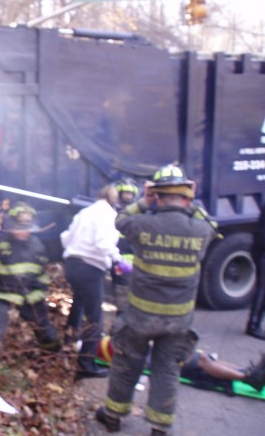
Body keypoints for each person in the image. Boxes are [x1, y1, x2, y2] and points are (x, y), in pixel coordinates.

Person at [95, 165, 217, 435]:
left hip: (139, 317)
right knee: (167, 371)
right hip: (178, 322)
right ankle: (160, 427)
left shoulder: (142, 224)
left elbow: (120, 220)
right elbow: (212, 224)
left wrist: (144, 200)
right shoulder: (200, 230)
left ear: (157, 196)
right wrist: (191, 199)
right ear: (186, 196)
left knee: (127, 364)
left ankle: (113, 416)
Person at [0, 202, 61, 391]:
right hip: (1, 296)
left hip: (28, 296)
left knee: (43, 326)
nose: (23, 232)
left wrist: (38, 294)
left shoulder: (37, 246)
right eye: (19, 228)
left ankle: (53, 356)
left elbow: (42, 275)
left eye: (27, 228)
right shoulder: (0, 246)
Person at [60, 184, 131, 379]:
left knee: (79, 303)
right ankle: (85, 365)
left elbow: (66, 238)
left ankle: (69, 341)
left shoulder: (85, 212)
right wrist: (117, 260)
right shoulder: (108, 214)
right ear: (113, 200)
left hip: (72, 264)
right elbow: (103, 243)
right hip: (89, 269)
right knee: (95, 318)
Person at [97, 335, 265, 394]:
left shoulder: (104, 342)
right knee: (202, 360)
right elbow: (136, 362)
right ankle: (247, 377)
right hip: (157, 360)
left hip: (153, 352)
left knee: (202, 357)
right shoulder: (108, 350)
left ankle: (247, 372)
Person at [112, 178, 140, 315]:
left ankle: (125, 316)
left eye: (130, 194)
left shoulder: (137, 213)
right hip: (118, 257)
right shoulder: (114, 211)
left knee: (129, 289)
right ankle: (121, 316)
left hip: (132, 258)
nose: (127, 196)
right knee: (120, 289)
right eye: (125, 193)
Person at [246, 201, 265, 340]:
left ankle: (255, 324)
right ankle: (253, 326)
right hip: (262, 251)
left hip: (260, 249)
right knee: (262, 289)